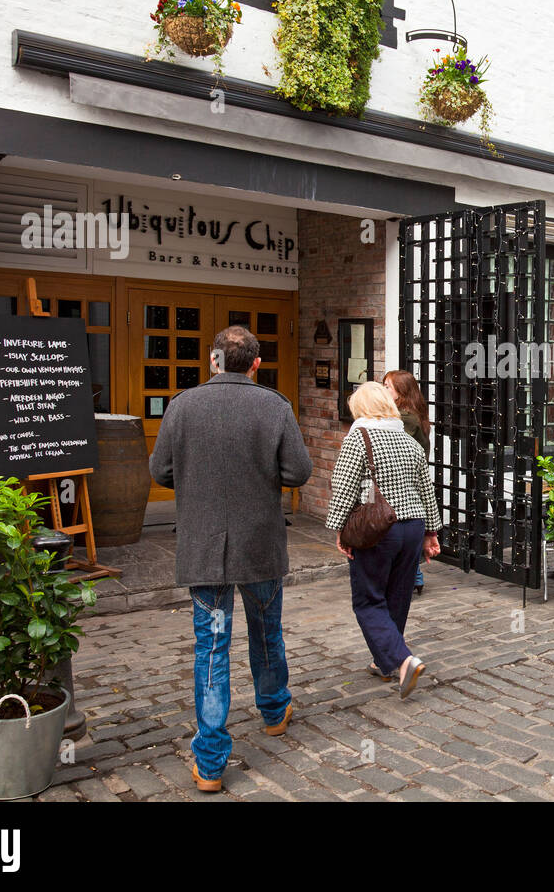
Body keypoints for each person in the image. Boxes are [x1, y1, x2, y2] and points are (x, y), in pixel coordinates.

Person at [149, 325, 313, 794]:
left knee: (212, 647)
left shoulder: (182, 406)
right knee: (267, 630)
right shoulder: (274, 405)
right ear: (257, 364)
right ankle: (274, 709)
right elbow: (298, 470)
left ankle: (211, 763)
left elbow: (160, 470)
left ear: (214, 359)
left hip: (204, 546)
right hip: (259, 543)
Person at [327, 382, 443, 700]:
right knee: (398, 595)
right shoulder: (409, 441)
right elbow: (425, 490)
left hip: (379, 529)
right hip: (412, 528)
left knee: (368, 600)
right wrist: (431, 533)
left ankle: (403, 661)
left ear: (360, 409)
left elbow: (344, 486)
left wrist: (338, 527)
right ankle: (385, 661)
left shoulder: (359, 438)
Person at [383, 369, 431, 595]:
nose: (383, 391)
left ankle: (411, 578)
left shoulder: (404, 419)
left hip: (406, 483)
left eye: (387, 387)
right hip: (412, 482)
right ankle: (414, 577)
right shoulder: (410, 414)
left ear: (401, 392)